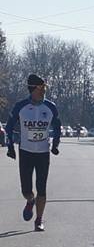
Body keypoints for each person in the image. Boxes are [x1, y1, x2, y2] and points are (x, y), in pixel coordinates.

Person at [5, 73, 61, 232]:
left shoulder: (50, 106)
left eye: (45, 88)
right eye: (41, 87)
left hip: (43, 153)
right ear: (33, 89)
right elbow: (9, 127)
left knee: (41, 188)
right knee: (26, 190)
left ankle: (39, 220)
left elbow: (57, 127)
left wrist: (55, 144)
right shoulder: (20, 106)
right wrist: (10, 147)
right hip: (26, 152)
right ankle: (30, 201)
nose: (44, 90)